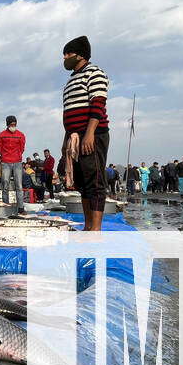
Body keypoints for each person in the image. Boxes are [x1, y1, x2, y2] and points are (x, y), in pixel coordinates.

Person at [60, 35, 110, 230]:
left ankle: (96, 228)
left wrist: (89, 134)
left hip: (93, 135)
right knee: (82, 183)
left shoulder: (95, 73)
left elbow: (98, 104)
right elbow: (69, 111)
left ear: (80, 55)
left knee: (95, 180)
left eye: (68, 54)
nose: (65, 58)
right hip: (74, 136)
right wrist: (67, 141)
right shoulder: (71, 80)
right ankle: (88, 225)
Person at [0, 115, 26, 212]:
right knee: (5, 184)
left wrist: (17, 156)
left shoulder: (21, 135)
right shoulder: (1, 135)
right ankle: (6, 206)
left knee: (19, 185)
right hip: (5, 163)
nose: (13, 126)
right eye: (11, 124)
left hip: (17, 162)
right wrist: (5, 156)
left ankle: (21, 207)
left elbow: (22, 148)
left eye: (15, 124)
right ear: (7, 124)